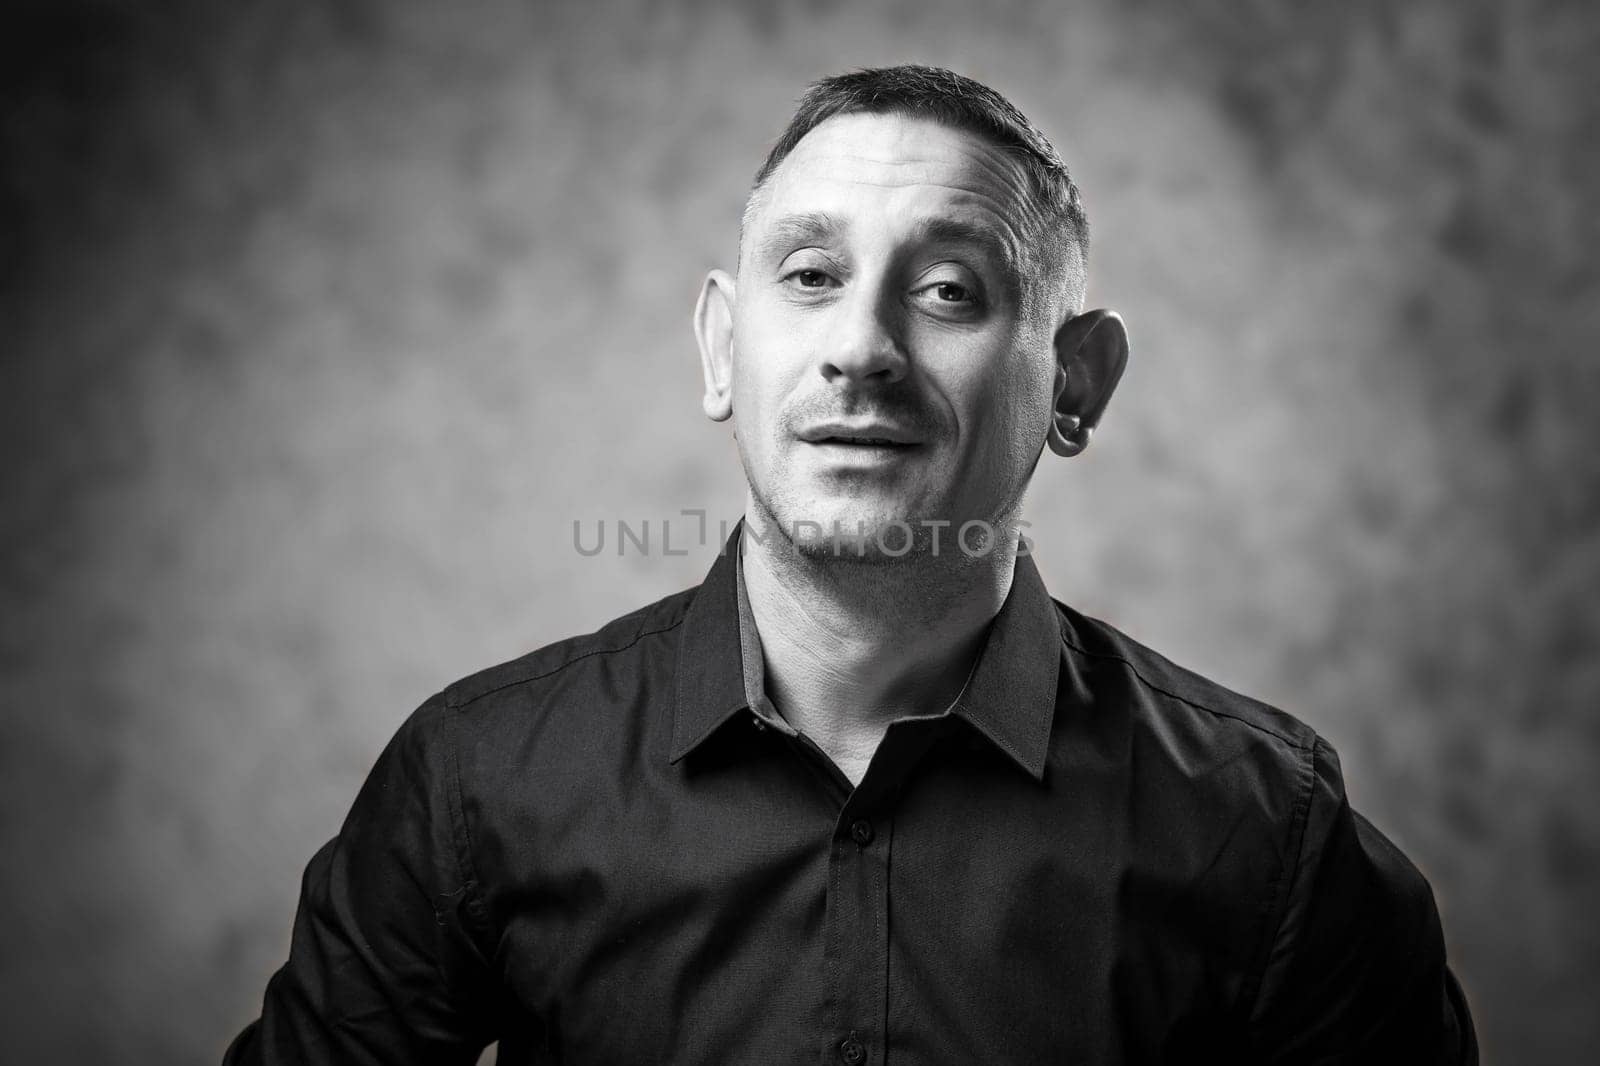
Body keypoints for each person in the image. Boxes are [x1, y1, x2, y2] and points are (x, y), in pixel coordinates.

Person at [225, 65, 1476, 1064]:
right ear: (723, 349)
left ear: (1077, 381)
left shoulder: (1266, 836)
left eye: (945, 291)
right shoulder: (475, 782)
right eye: (811, 277)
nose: (860, 348)